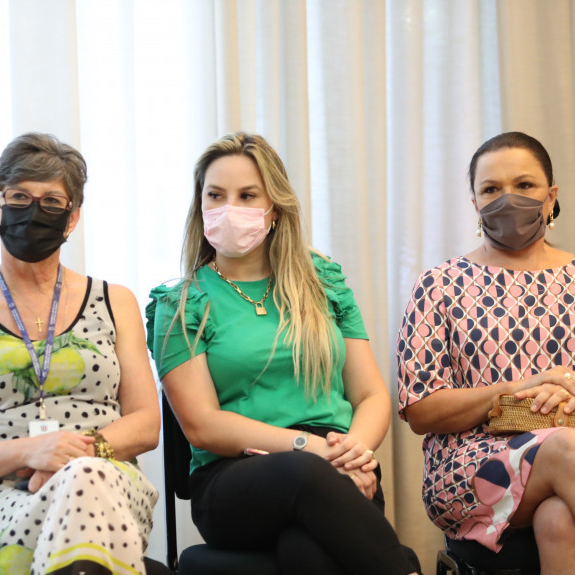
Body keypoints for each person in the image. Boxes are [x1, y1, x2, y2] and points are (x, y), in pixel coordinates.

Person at [146, 132, 419, 575]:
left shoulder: (324, 282)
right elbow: (202, 426)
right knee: (302, 475)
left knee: (306, 552)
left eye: (247, 195)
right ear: (200, 206)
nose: (228, 207)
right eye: (215, 195)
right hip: (234, 480)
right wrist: (316, 453)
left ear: (274, 207)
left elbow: (371, 395)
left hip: (338, 468)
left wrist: (353, 453)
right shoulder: (179, 304)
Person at [396, 131, 575, 574]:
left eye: (524, 185)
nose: (508, 199)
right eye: (491, 189)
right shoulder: (438, 285)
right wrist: (519, 389)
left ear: (551, 196)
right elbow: (421, 408)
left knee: (561, 519)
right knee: (570, 448)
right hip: (471, 469)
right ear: (475, 203)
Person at [0, 133, 160, 575]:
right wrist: (34, 452)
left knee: (88, 478)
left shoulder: (116, 301)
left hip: (108, 484)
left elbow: (147, 423)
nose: (34, 211)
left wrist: (70, 459)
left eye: (52, 201)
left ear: (71, 219)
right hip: (0, 504)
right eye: (19, 197)